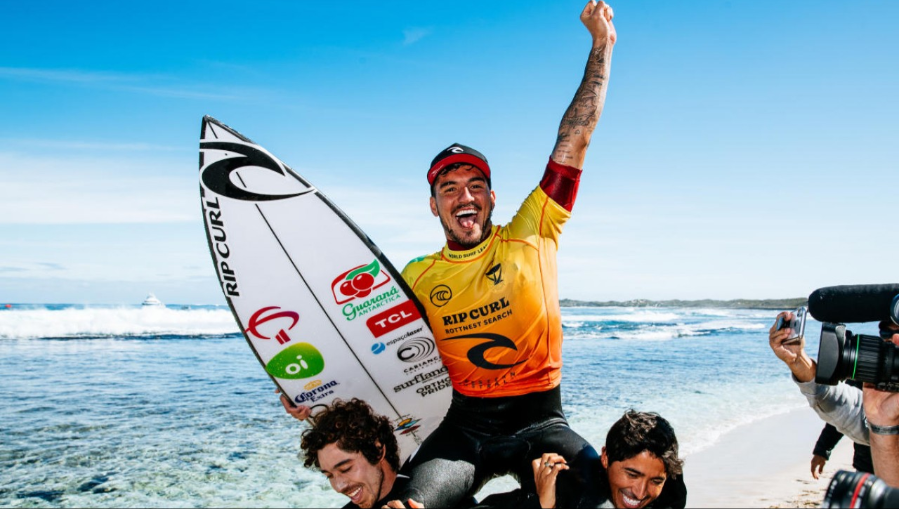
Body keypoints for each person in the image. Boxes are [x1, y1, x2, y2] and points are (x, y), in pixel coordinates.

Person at [287, 1, 617, 507]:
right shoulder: (418, 276)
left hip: (541, 419)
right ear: (434, 204)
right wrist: (312, 395)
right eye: (449, 188)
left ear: (492, 197)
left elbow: (576, 138)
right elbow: (373, 351)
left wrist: (601, 45)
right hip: (466, 426)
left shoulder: (533, 231)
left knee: (596, 491)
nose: (465, 196)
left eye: (475, 185)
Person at [768, 311, 899, 487]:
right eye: (887, 331)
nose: (895, 338)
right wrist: (798, 361)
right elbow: (848, 406)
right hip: (867, 469)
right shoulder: (871, 372)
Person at [476, 410, 687, 509]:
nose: (640, 493)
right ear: (606, 458)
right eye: (632, 474)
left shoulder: (670, 498)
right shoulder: (573, 491)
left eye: (656, 481)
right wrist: (544, 504)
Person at [299, 398, 418, 509]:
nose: (339, 487)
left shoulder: (424, 487)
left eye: (346, 469)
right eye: (329, 476)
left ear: (377, 451)